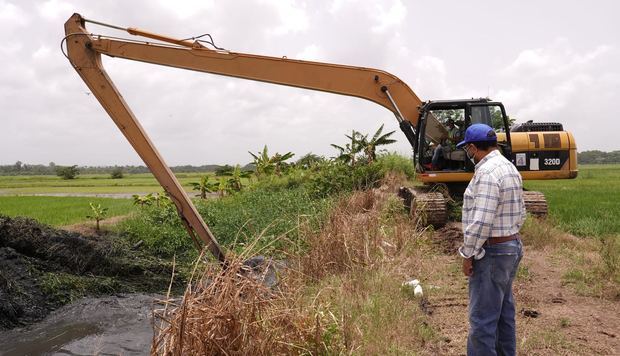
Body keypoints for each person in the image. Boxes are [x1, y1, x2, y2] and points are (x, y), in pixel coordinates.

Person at [456, 123, 526, 356]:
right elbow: (522, 211)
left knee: (482, 319)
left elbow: (481, 222)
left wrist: (468, 254)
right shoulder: (509, 167)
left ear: (473, 148)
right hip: (511, 245)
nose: (469, 154)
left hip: (492, 251)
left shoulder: (486, 173)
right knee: (504, 314)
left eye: (468, 149)